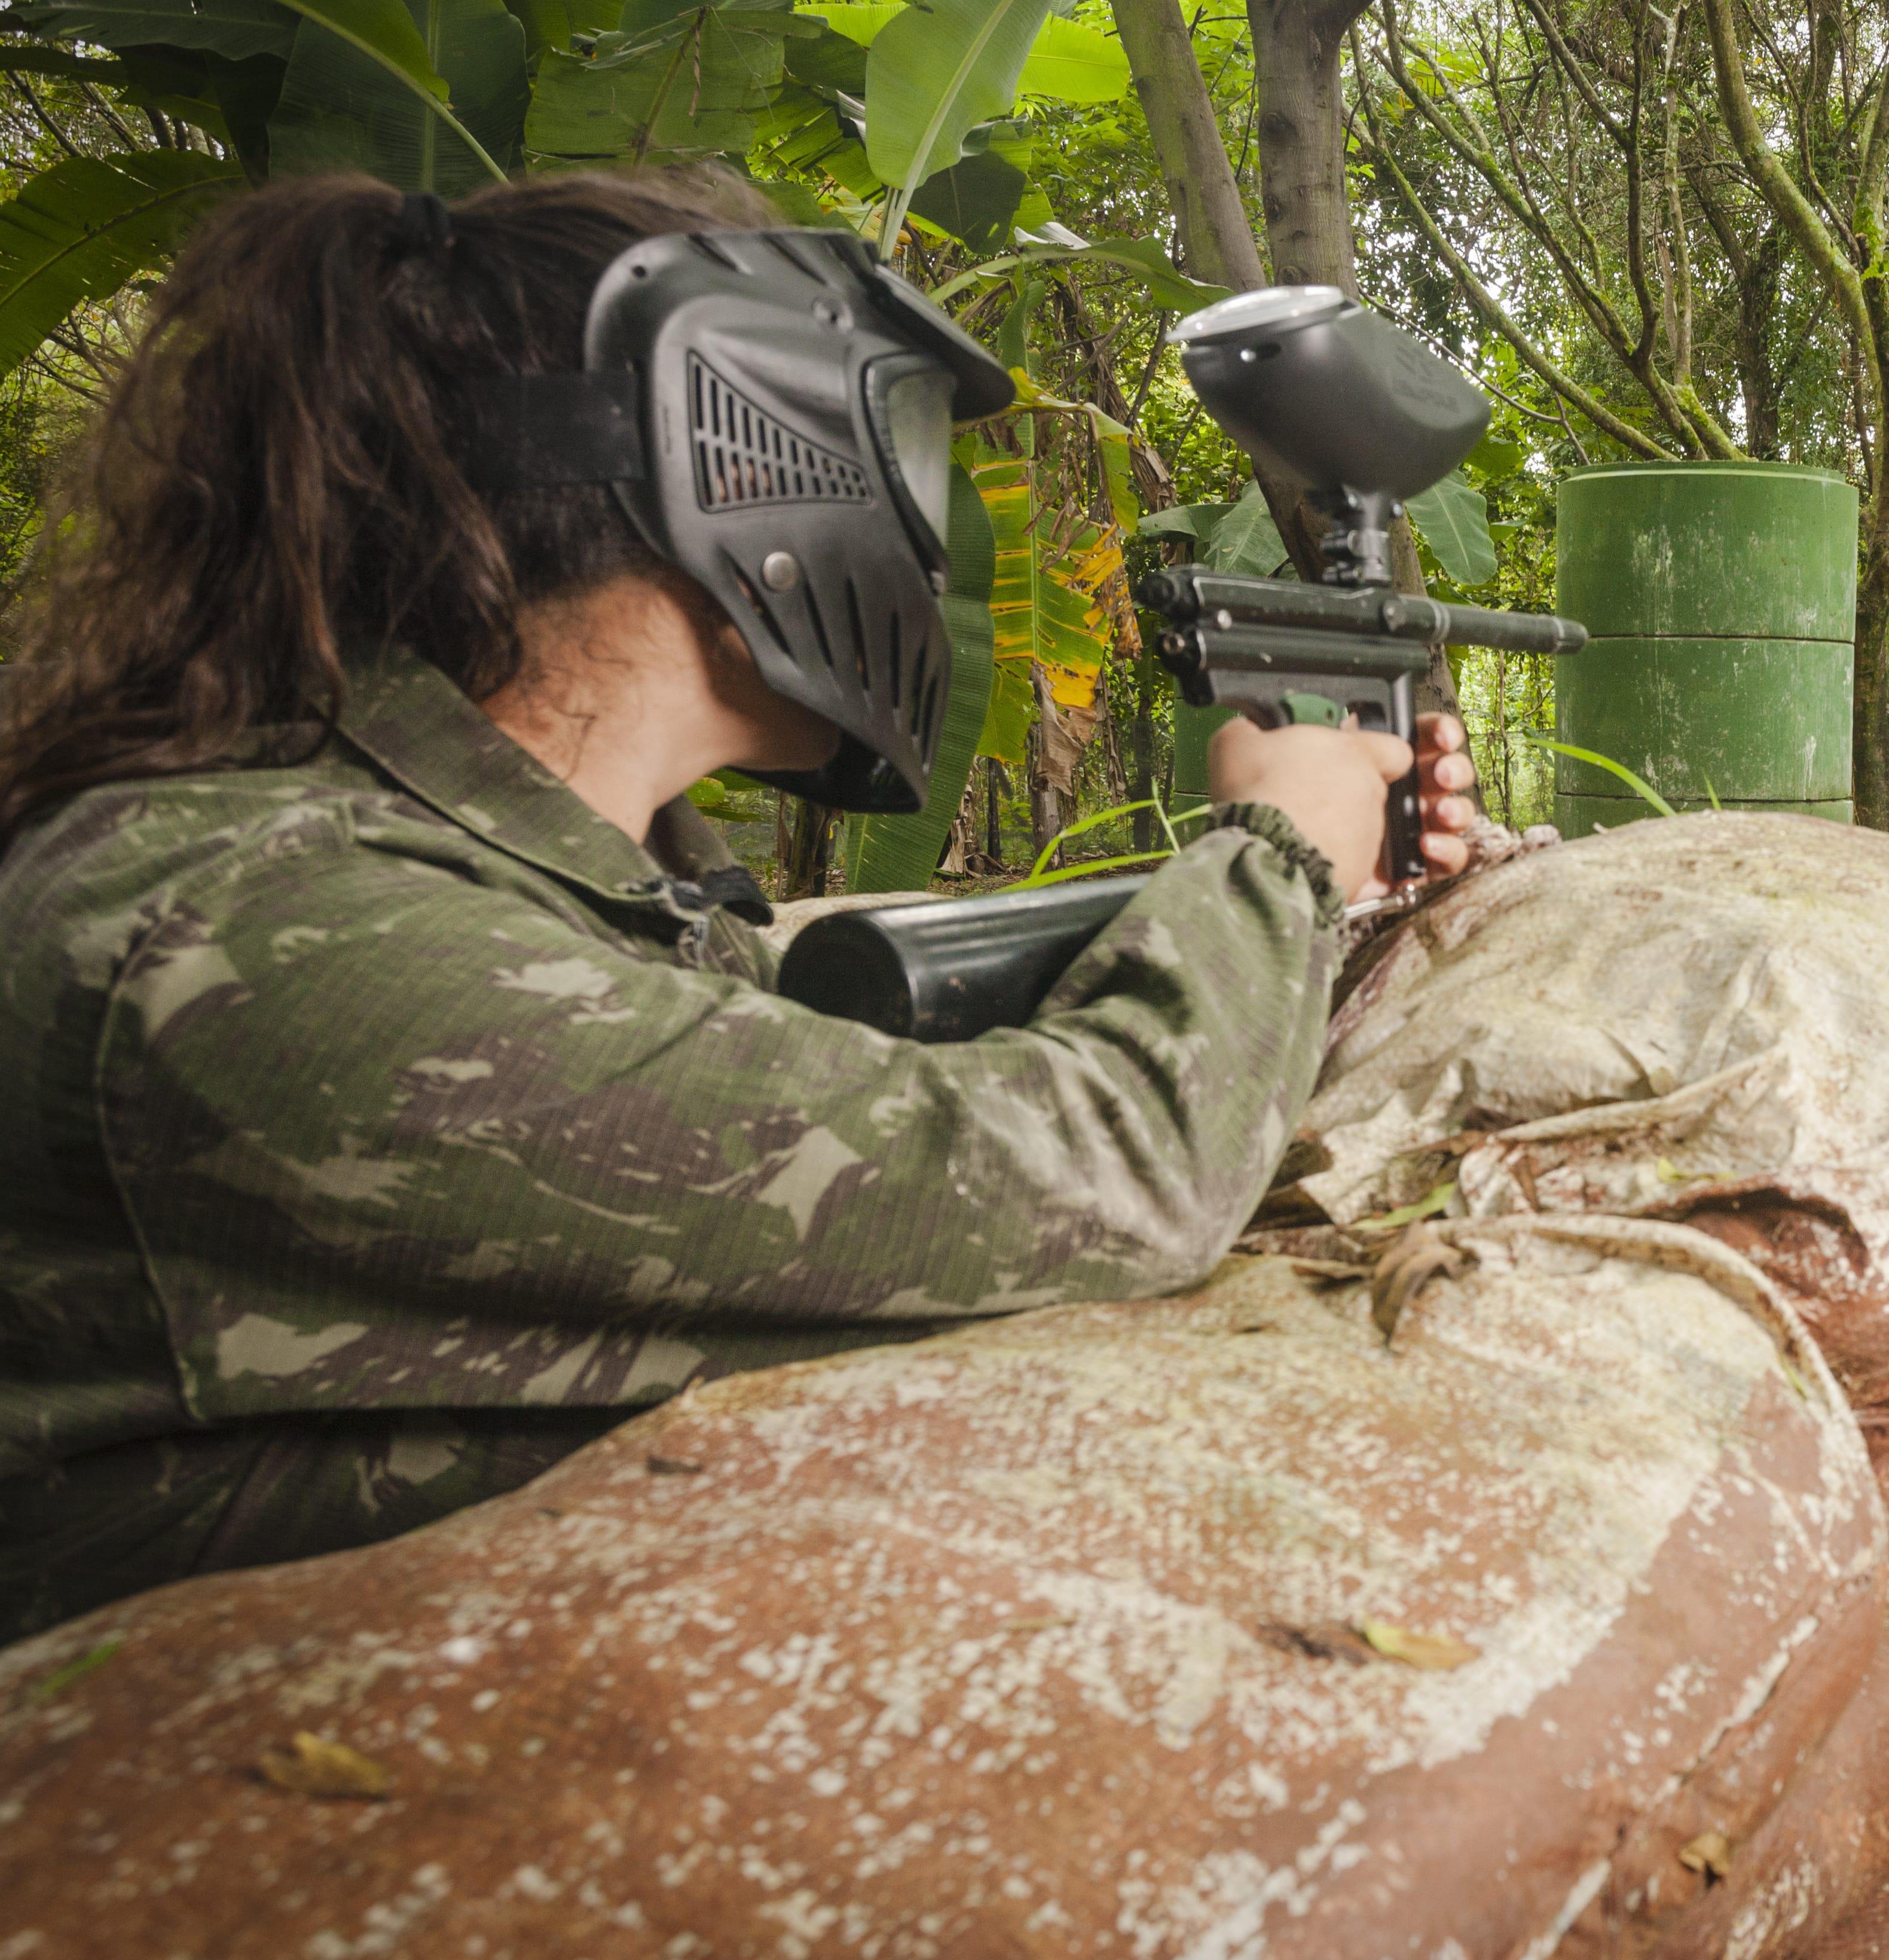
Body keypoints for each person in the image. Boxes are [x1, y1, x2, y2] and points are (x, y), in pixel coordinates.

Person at [0, 170, 1481, 1640]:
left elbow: (781, 1044)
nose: (920, 531)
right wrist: (1278, 856)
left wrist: (1315, 890)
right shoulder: (258, 934)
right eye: (878, 448)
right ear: (730, 467)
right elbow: (1105, 1173)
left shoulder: (442, 855)